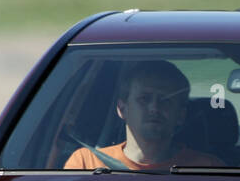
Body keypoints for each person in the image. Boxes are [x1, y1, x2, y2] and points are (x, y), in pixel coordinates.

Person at [64, 60, 224, 170]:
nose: (154, 108)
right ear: (122, 109)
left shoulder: (208, 168)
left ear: (181, 115)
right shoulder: (86, 163)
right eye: (144, 99)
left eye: (165, 101)